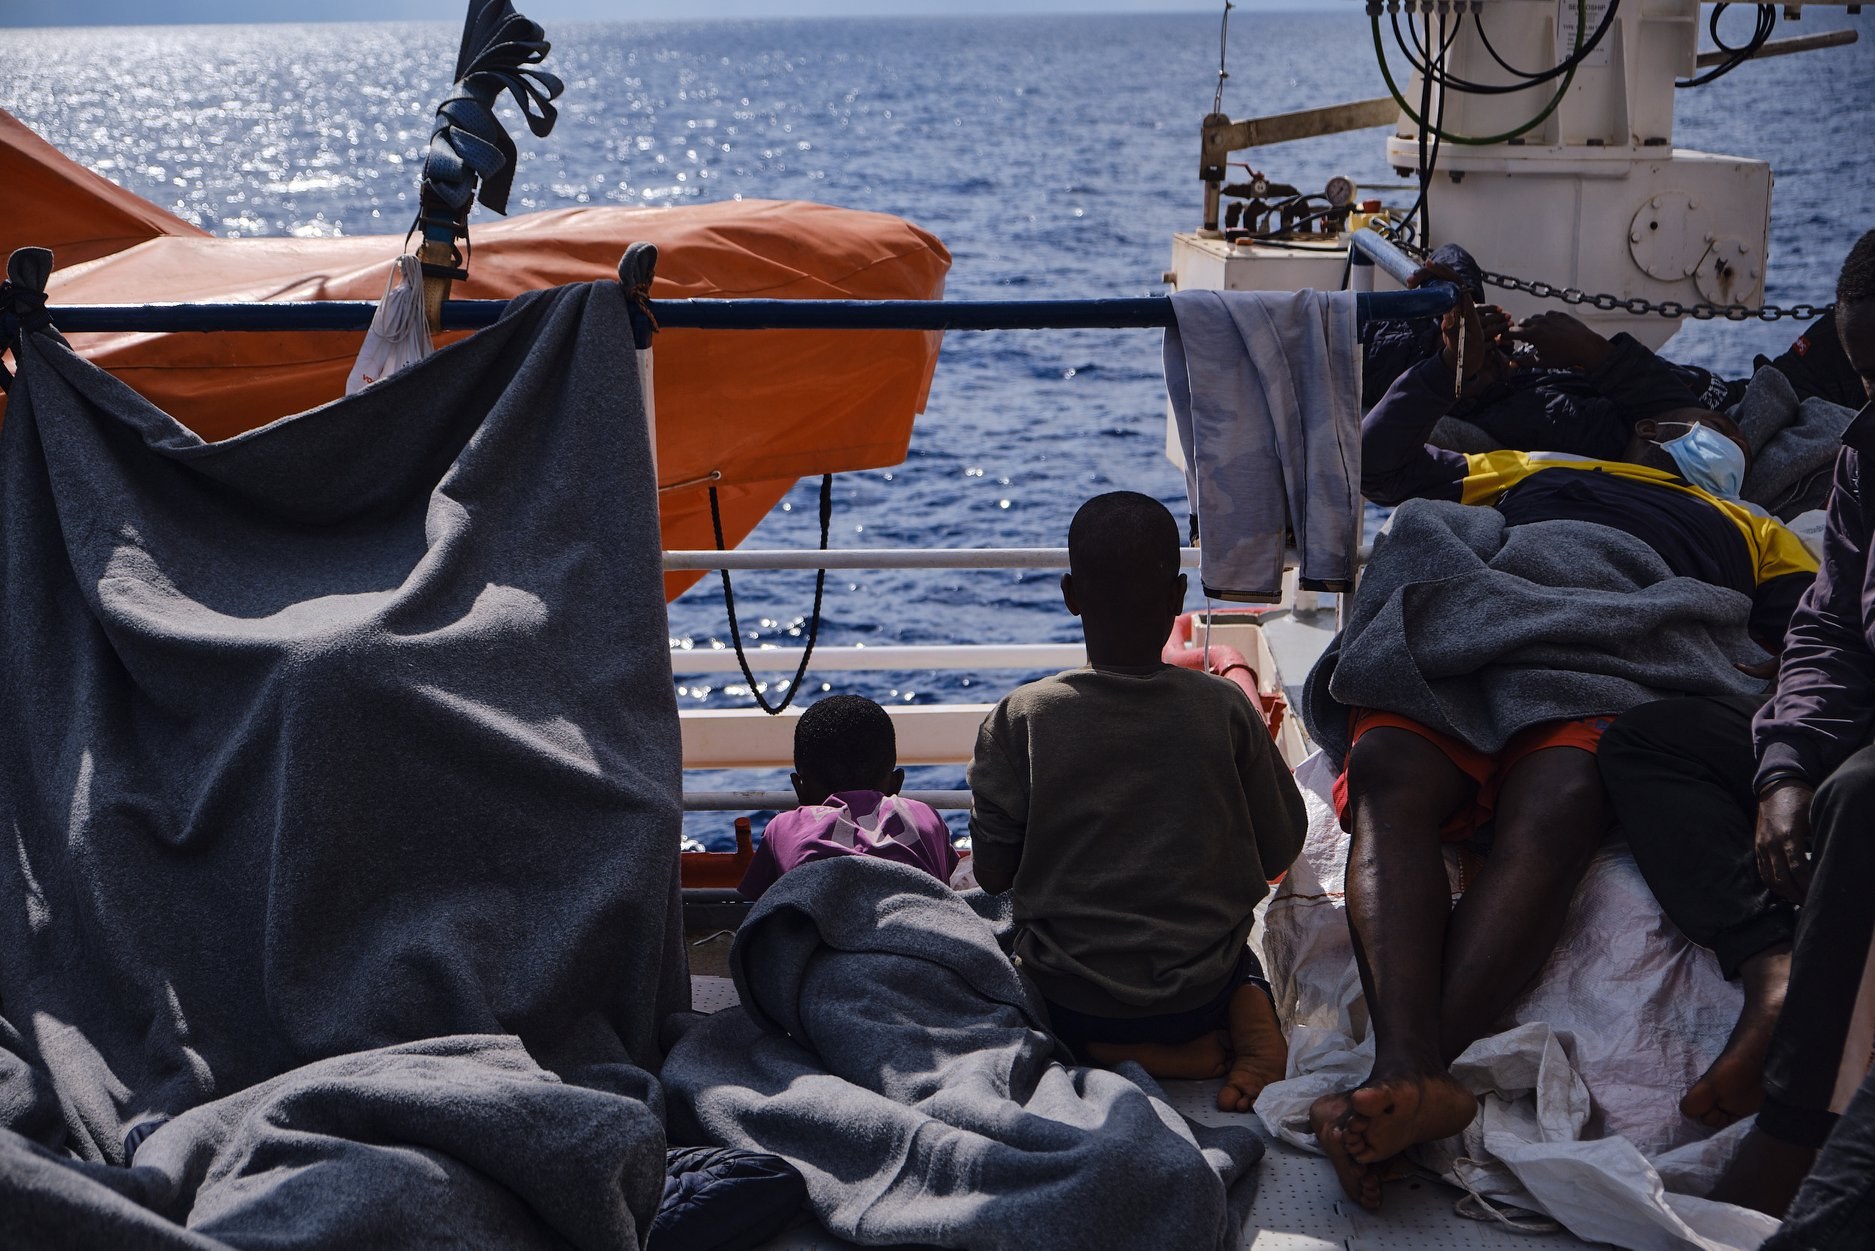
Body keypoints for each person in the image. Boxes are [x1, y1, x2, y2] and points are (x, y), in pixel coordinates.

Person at [1310, 289, 1820, 1211]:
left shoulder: (1761, 530)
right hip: (1486, 610)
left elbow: (1806, 644)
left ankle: (1400, 1076)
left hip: (1622, 639)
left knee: (1560, 799)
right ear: (1633, 430)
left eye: (1710, 438)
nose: (1687, 441)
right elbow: (1383, 463)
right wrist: (1443, 373)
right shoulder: (1529, 466)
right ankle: (1411, 1073)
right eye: (1676, 426)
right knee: (1391, 766)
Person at [966, 491, 1306, 1114]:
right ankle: (1248, 1019)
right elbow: (1282, 844)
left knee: (1009, 957)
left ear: (1071, 595)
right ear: (1177, 598)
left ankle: (1095, 1054)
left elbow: (993, 873)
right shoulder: (1225, 708)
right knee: (1239, 955)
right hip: (1197, 994)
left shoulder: (1022, 717)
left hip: (1073, 1000)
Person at [1697, 227, 1875, 1223]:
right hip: (1858, 717)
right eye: (1864, 376)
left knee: (1860, 797)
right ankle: (1765, 963)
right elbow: (1829, 633)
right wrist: (1782, 772)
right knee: (1652, 741)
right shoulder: (1867, 458)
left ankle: (1794, 1118)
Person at [737, 693, 957, 900]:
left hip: (821, 939)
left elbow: (758, 903)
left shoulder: (782, 827)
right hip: (924, 936)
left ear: (799, 788)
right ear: (896, 783)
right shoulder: (927, 817)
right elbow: (949, 884)